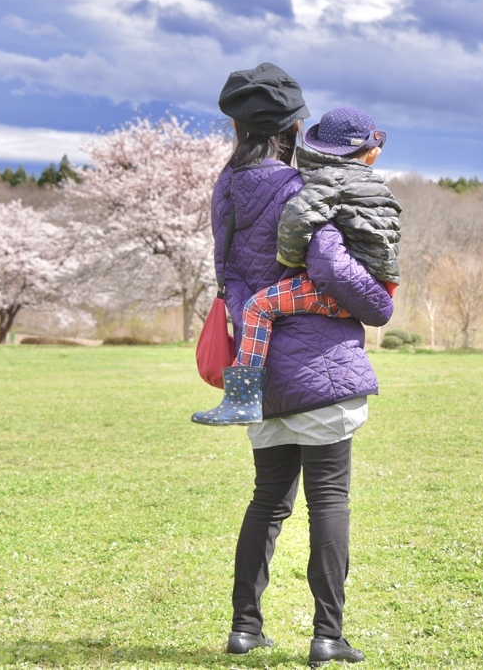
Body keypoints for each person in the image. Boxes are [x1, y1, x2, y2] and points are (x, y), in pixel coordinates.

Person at [200, 62, 393, 666]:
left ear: (237, 124)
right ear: (295, 125)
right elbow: (332, 264)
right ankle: (327, 637)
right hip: (318, 364)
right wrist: (378, 303)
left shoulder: (226, 188)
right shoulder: (299, 187)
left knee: (268, 500)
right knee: (329, 499)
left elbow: (229, 272)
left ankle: (244, 626)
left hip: (256, 370)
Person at [192, 106, 400, 425]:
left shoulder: (325, 183)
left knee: (257, 307)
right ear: (372, 154)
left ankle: (242, 398)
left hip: (333, 291)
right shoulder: (373, 184)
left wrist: (290, 256)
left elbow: (302, 224)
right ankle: (242, 397)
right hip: (377, 276)